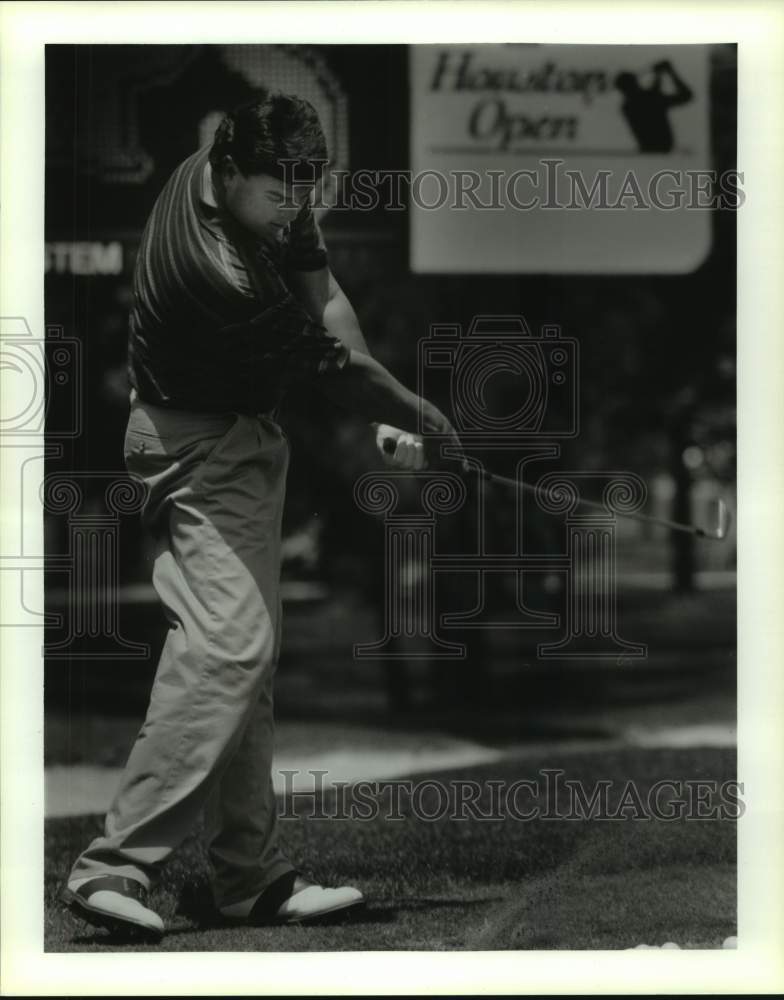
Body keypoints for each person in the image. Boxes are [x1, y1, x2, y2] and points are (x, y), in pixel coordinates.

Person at [61, 93, 460, 943]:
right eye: (280, 194)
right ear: (230, 170)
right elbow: (336, 370)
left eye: (303, 192)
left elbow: (326, 295)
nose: (294, 208)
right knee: (230, 647)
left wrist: (384, 406)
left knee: (250, 657)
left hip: (233, 436)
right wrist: (421, 414)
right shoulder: (215, 269)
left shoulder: (255, 178)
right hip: (194, 444)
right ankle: (113, 865)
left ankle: (250, 878)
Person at [614, 59, 694, 153]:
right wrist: (668, 72)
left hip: (651, 151)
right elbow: (686, 95)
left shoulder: (628, 106)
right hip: (658, 151)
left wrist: (659, 74)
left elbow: (652, 95)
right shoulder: (635, 104)